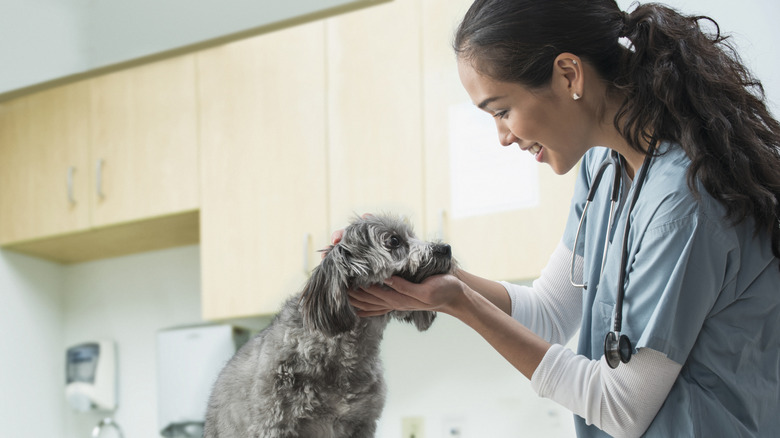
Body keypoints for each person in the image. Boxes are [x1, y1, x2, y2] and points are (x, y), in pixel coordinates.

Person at [342, 0, 780, 436]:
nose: (503, 137)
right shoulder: (603, 170)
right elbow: (549, 312)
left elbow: (621, 407)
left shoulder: (682, 203)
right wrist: (427, 270)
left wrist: (458, 302)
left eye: (502, 110)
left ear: (569, 74)